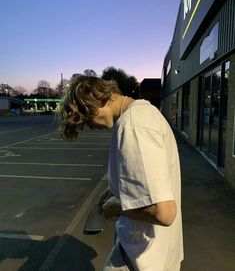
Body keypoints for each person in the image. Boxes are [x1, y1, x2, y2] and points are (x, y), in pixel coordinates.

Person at [58, 75, 184, 271]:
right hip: (151, 253)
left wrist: (118, 207)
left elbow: (164, 212)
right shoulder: (144, 113)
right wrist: (114, 190)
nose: (89, 126)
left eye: (86, 118)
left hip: (143, 258)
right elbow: (149, 183)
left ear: (99, 99)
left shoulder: (133, 126)